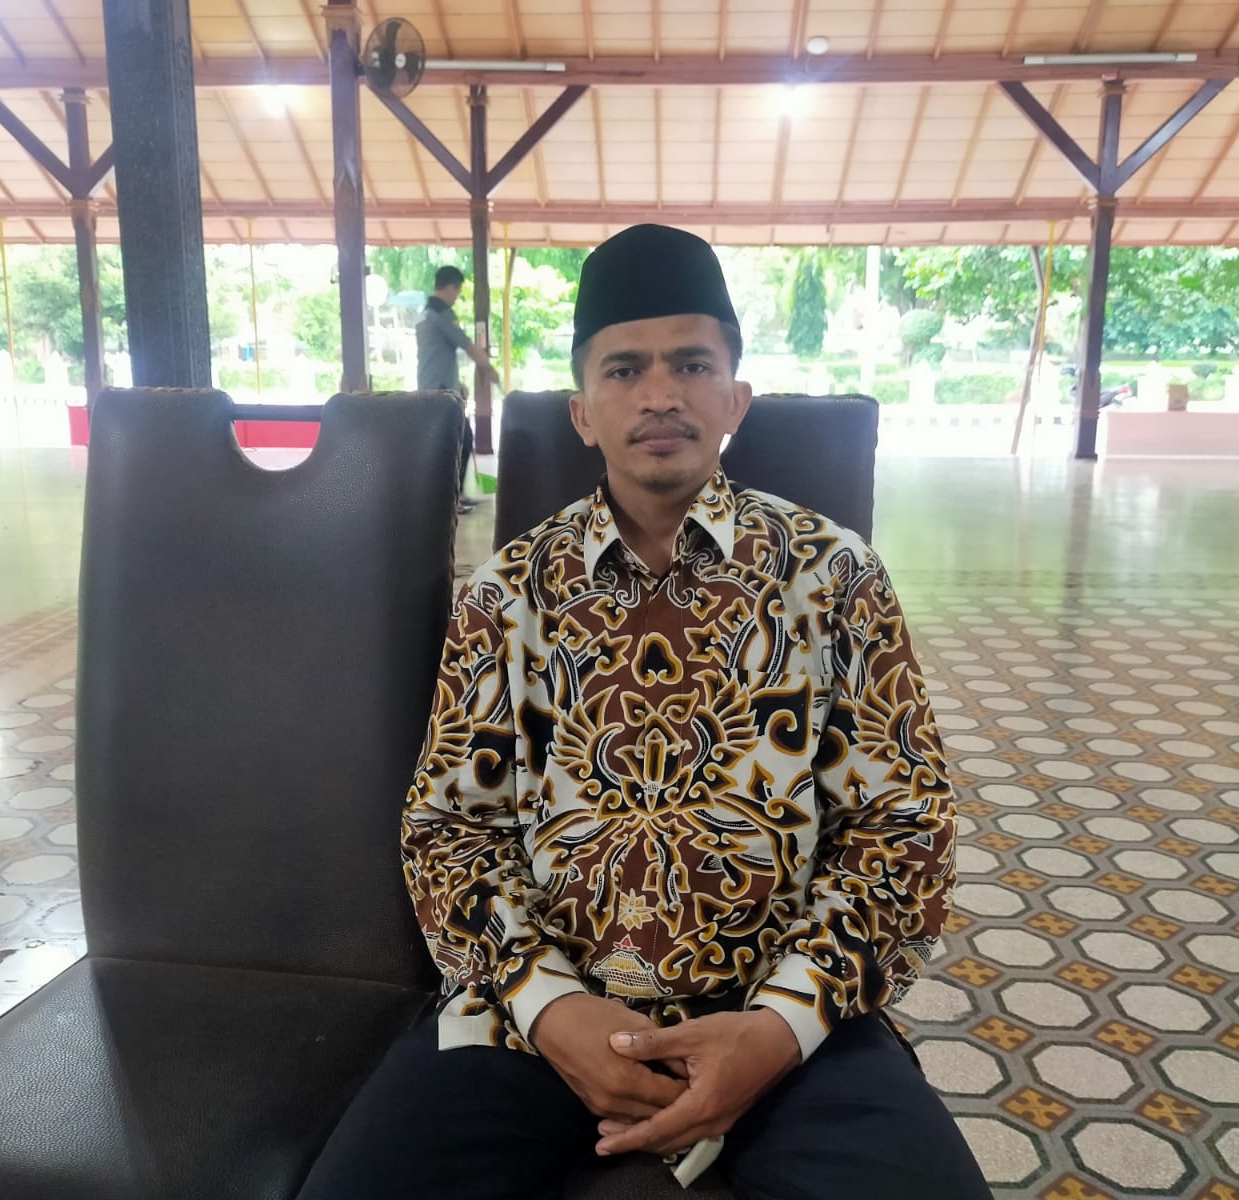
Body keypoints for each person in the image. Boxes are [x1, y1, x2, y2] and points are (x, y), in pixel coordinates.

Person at [298, 226, 989, 1200]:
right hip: (533, 1024)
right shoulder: (508, 596)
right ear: (582, 412)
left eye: (691, 364)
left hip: (782, 1018)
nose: (660, 393)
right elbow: (449, 831)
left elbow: (904, 828)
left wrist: (777, 1029)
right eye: (624, 369)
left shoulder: (833, 578)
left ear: (735, 398)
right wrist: (552, 1009)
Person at [416, 265, 500, 515]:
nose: (456, 296)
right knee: (460, 440)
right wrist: (488, 368)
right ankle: (452, 498)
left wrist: (457, 384)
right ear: (451, 287)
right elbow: (467, 345)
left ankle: (452, 496)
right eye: (458, 291)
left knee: (452, 441)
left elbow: (437, 355)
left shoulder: (425, 314)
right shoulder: (442, 313)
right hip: (441, 392)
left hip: (434, 387)